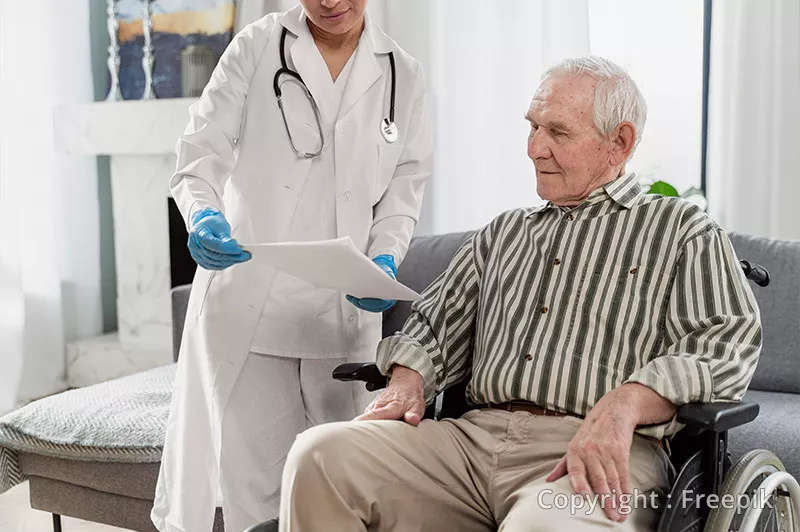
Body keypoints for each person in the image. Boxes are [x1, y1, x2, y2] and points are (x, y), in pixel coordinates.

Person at [278, 56, 762, 531]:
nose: (534, 148)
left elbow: (726, 344)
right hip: (468, 445)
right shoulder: (503, 234)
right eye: (532, 127)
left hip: (595, 451)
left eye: (558, 133)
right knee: (318, 456)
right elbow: (432, 326)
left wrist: (628, 401)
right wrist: (408, 380)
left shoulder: (680, 230)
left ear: (620, 142)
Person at [150, 0, 433, 530]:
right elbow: (198, 154)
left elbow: (404, 190)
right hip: (253, 307)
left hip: (341, 316)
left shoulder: (402, 73)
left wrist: (386, 256)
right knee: (255, 498)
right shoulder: (256, 48)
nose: (330, 3)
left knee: (342, 493)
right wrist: (203, 214)